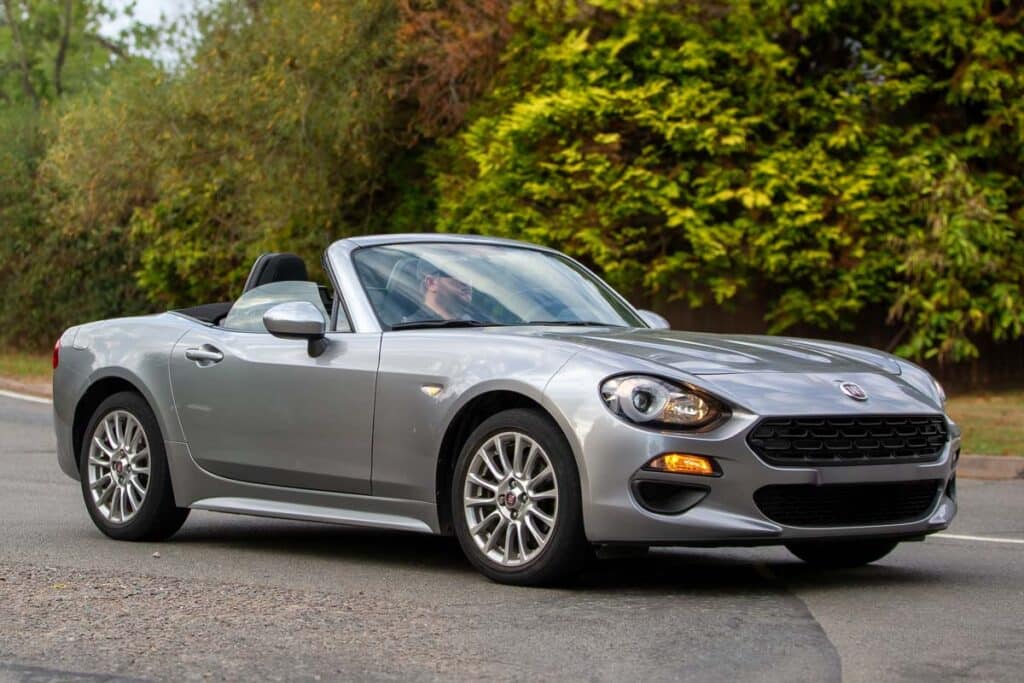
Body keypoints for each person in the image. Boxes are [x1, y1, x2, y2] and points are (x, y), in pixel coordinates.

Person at [404, 260, 475, 322]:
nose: (467, 282)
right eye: (457, 273)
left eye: (469, 274)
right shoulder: (411, 332)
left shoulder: (477, 326)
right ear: (431, 283)